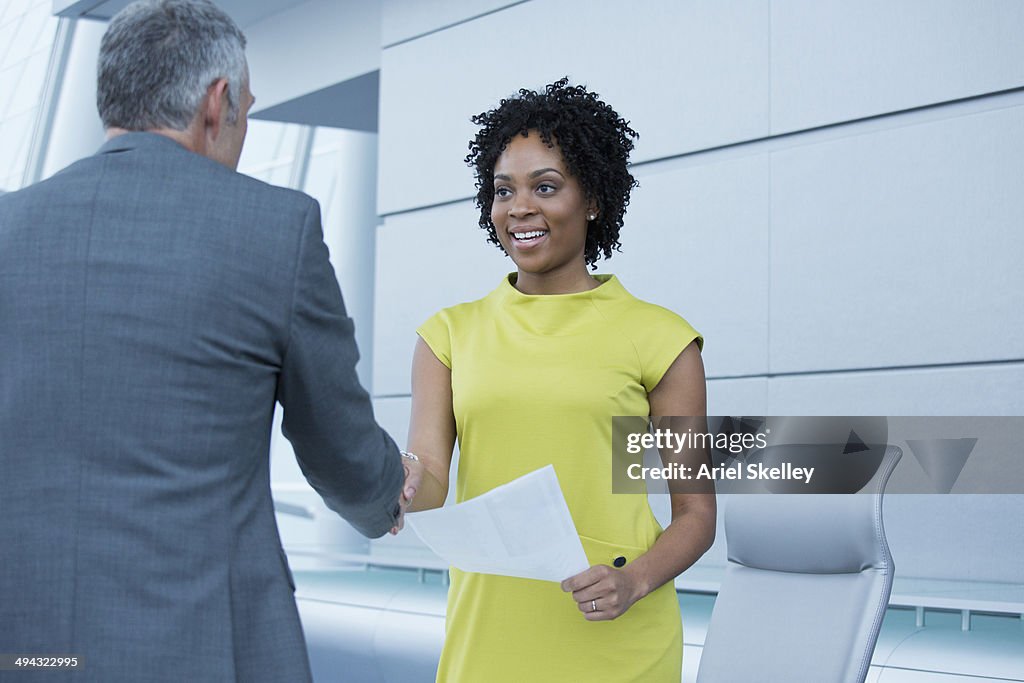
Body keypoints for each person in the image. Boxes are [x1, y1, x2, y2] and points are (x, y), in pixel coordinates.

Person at [0, 1, 412, 681]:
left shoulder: (9, 229)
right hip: (202, 649)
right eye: (246, 112)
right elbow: (338, 445)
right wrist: (386, 493)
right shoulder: (274, 229)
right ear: (217, 104)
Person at [403, 79, 717, 681]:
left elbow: (696, 515)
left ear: (593, 199)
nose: (519, 207)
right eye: (503, 191)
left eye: (545, 187)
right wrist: (397, 477)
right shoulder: (447, 336)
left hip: (618, 645)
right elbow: (432, 480)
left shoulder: (661, 338)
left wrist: (636, 580)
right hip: (489, 638)